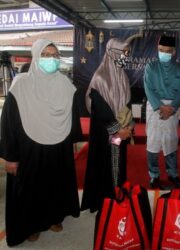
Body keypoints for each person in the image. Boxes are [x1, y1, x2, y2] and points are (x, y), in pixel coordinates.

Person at [0, 39, 81, 246]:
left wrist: (72, 140)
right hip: (30, 148)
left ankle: (54, 218)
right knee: (31, 187)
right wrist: (10, 156)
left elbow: (72, 115)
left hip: (59, 145)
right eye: (45, 55)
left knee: (55, 183)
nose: (51, 59)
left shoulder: (64, 83)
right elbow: (8, 123)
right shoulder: (21, 84)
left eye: (55, 55)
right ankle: (32, 226)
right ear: (36, 56)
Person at [81, 38, 134, 212]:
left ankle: (117, 194)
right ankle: (104, 199)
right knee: (104, 164)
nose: (126, 56)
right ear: (112, 53)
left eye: (127, 53)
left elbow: (127, 104)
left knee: (118, 164)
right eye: (123, 53)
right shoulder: (100, 77)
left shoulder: (123, 75)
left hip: (122, 131)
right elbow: (101, 109)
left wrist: (128, 127)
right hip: (105, 133)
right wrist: (118, 130)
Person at [144, 35, 180, 189]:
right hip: (154, 107)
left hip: (172, 109)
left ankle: (173, 174)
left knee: (171, 142)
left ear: (174, 52)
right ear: (157, 49)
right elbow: (148, 88)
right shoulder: (151, 67)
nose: (163, 53)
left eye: (167, 51)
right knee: (153, 143)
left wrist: (172, 108)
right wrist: (159, 106)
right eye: (161, 50)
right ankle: (154, 175)